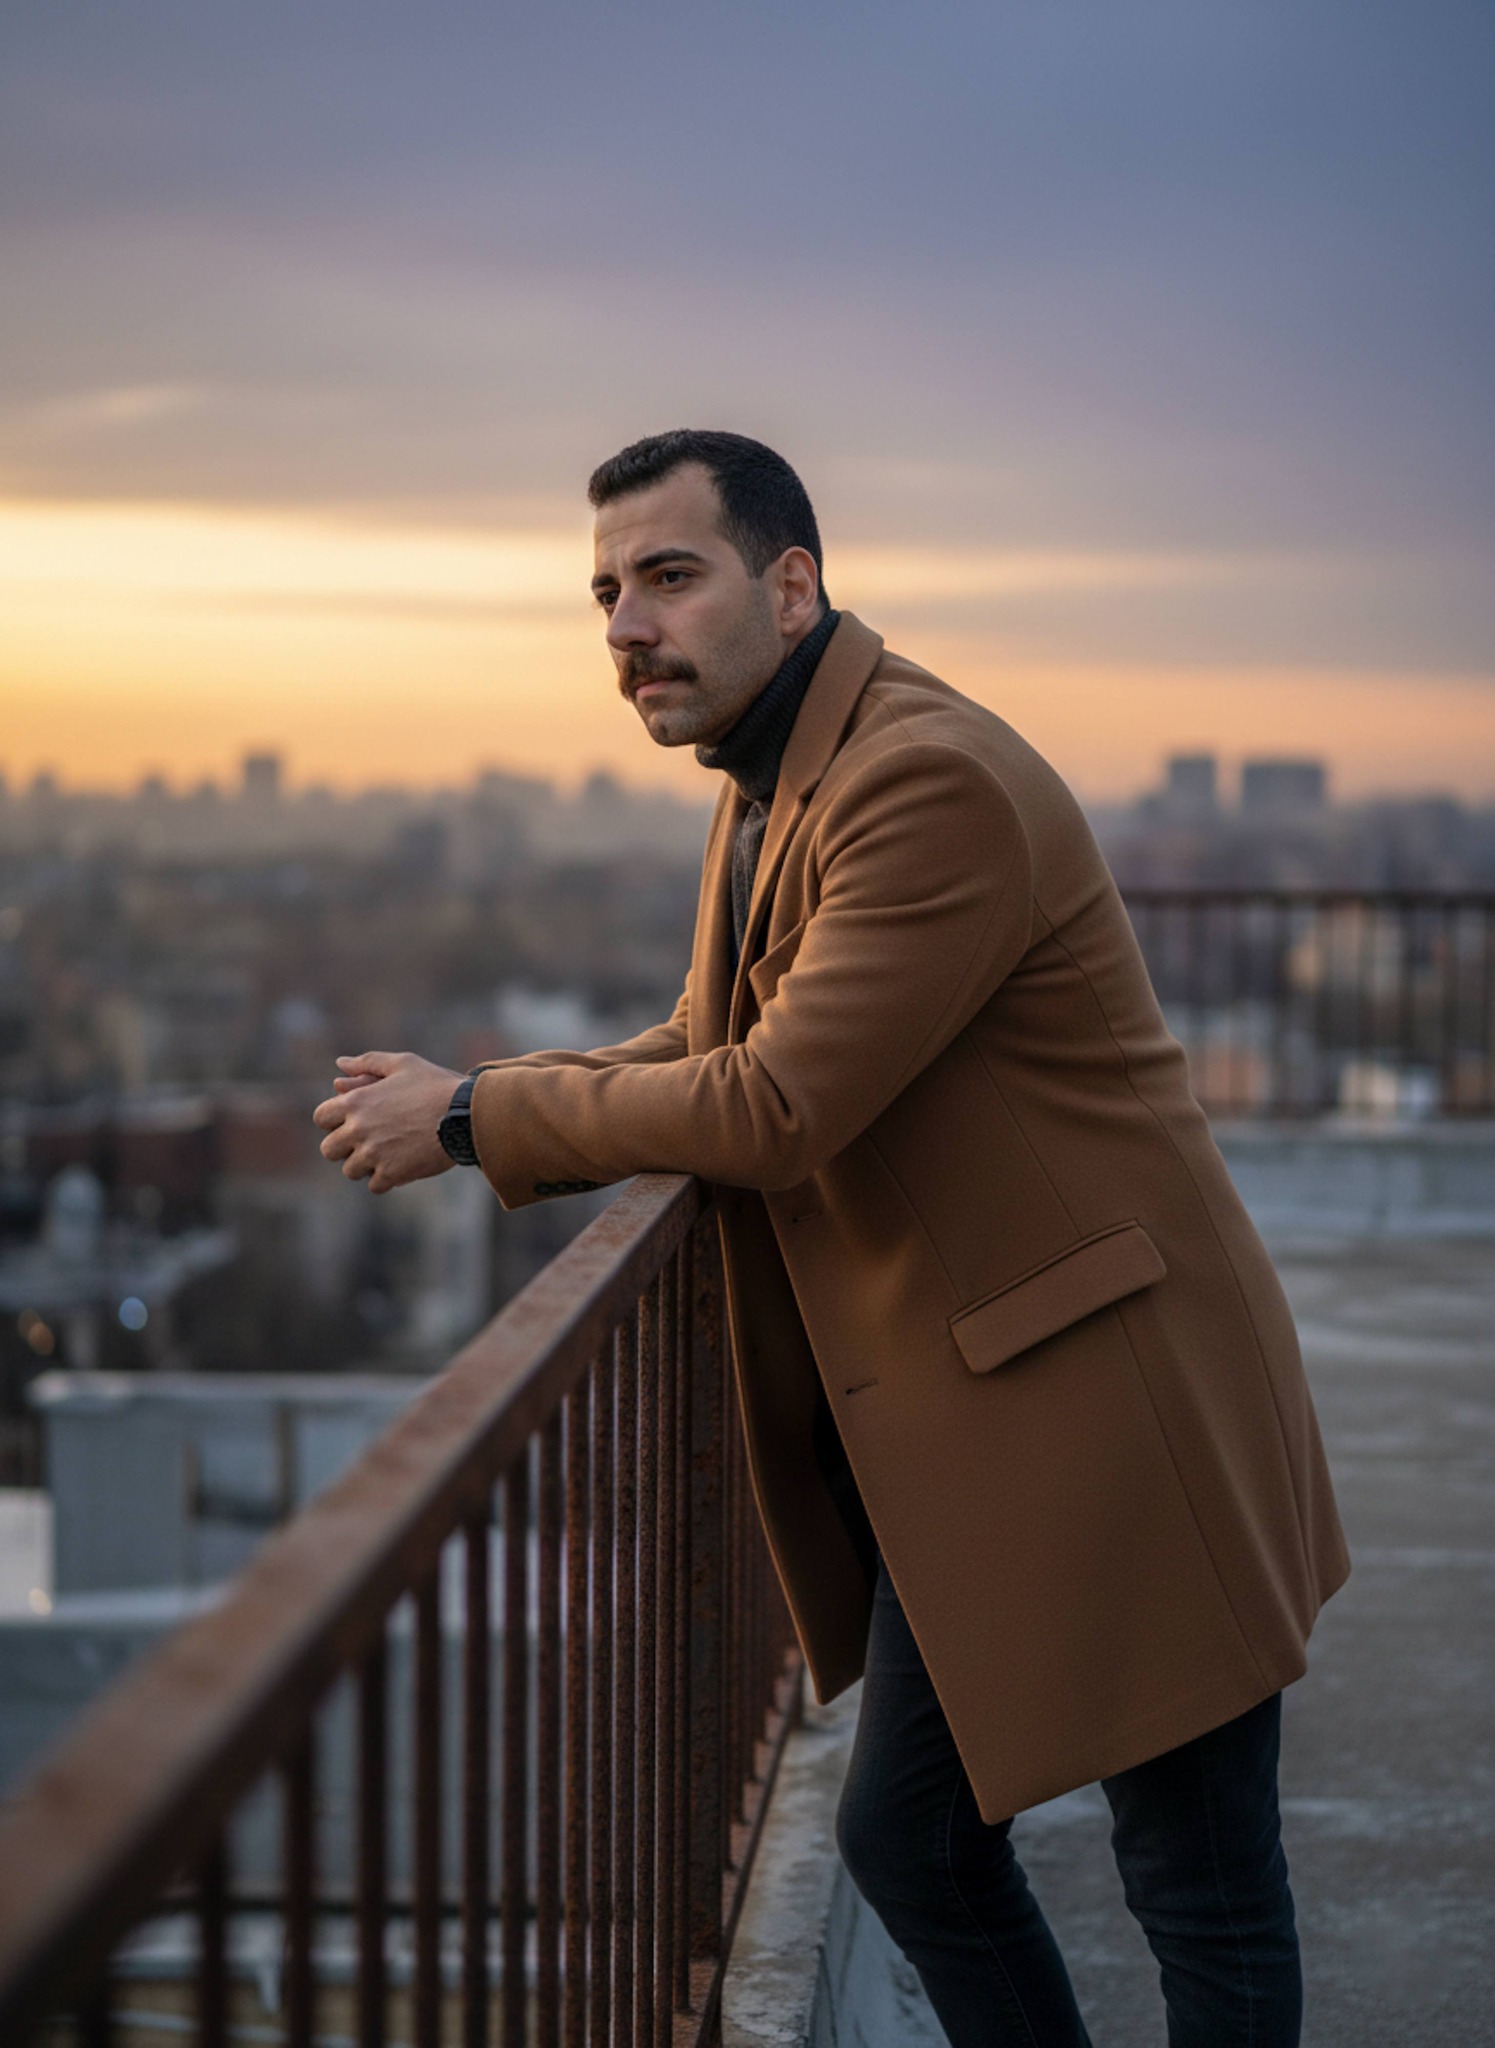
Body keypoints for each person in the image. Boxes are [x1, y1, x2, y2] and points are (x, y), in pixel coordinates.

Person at [313, 429, 1349, 2047]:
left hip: (1124, 1403)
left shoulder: (920, 779)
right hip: (1013, 1412)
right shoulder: (778, 770)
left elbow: (778, 1101)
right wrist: (493, 1099)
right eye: (604, 593)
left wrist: (472, 1122)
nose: (625, 629)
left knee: (1198, 1881)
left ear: (791, 586)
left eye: (669, 576)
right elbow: (701, 1035)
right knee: (913, 1839)